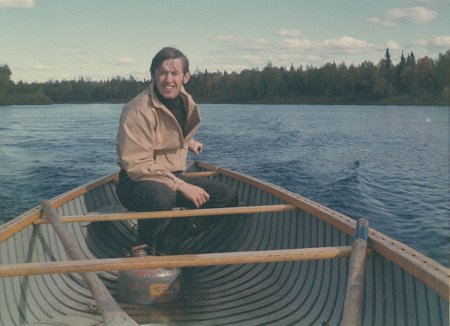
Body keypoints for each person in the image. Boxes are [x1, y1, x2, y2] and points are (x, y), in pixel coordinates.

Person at [115, 47, 238, 254]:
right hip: (137, 182)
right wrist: (180, 185)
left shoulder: (184, 101)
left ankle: (170, 239)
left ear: (185, 77)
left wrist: (189, 143)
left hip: (172, 175)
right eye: (162, 73)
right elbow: (137, 164)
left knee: (226, 196)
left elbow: (171, 133)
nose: (168, 79)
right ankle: (143, 244)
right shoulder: (137, 110)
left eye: (174, 73)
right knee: (161, 196)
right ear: (153, 75)